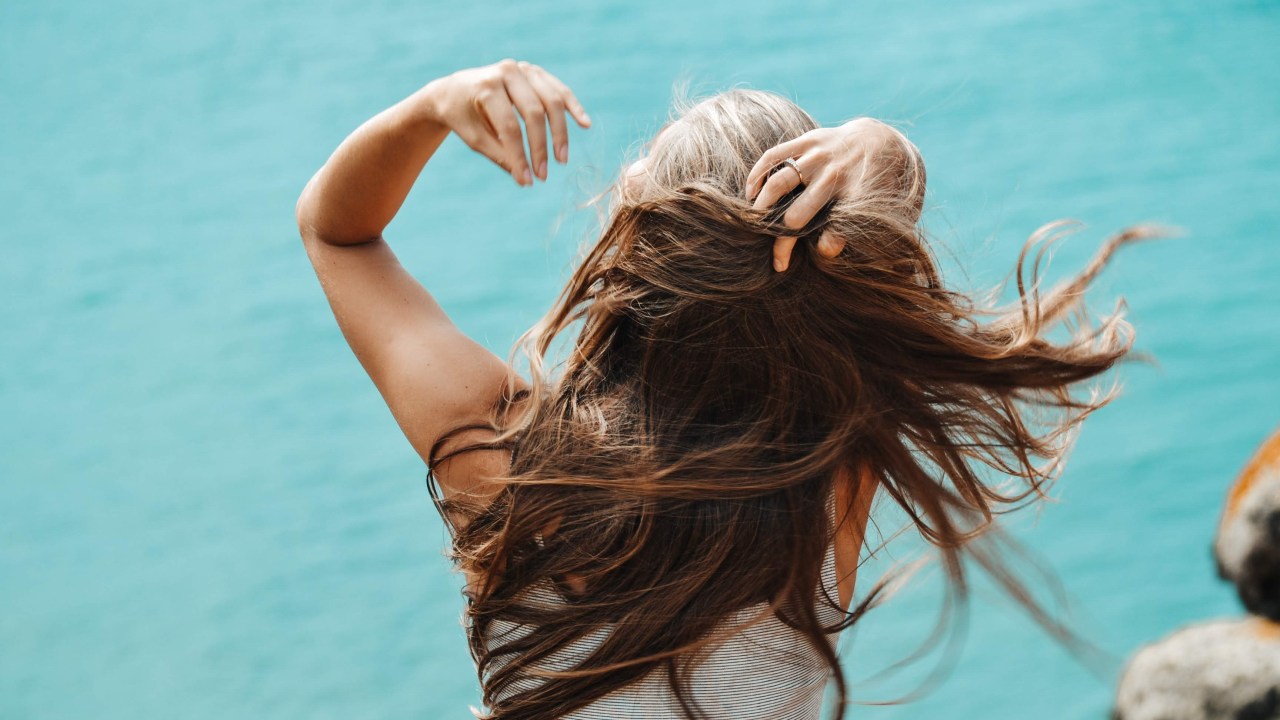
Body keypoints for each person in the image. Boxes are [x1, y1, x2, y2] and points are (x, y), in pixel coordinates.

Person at [295, 59, 1155, 720]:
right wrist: (892, 154)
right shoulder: (830, 482)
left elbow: (337, 234)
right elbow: (857, 273)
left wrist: (434, 104)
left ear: (639, 249)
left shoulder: (509, 466)